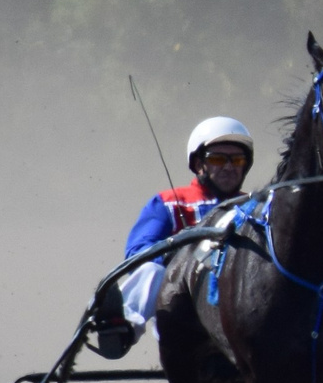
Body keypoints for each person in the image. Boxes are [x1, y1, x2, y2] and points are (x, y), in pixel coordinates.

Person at [88, 117, 252, 359]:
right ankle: (121, 326)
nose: (228, 167)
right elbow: (138, 253)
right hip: (182, 308)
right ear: (198, 164)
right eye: (218, 159)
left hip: (240, 303)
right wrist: (180, 252)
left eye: (237, 159)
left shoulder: (255, 206)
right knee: (150, 270)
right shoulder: (168, 202)